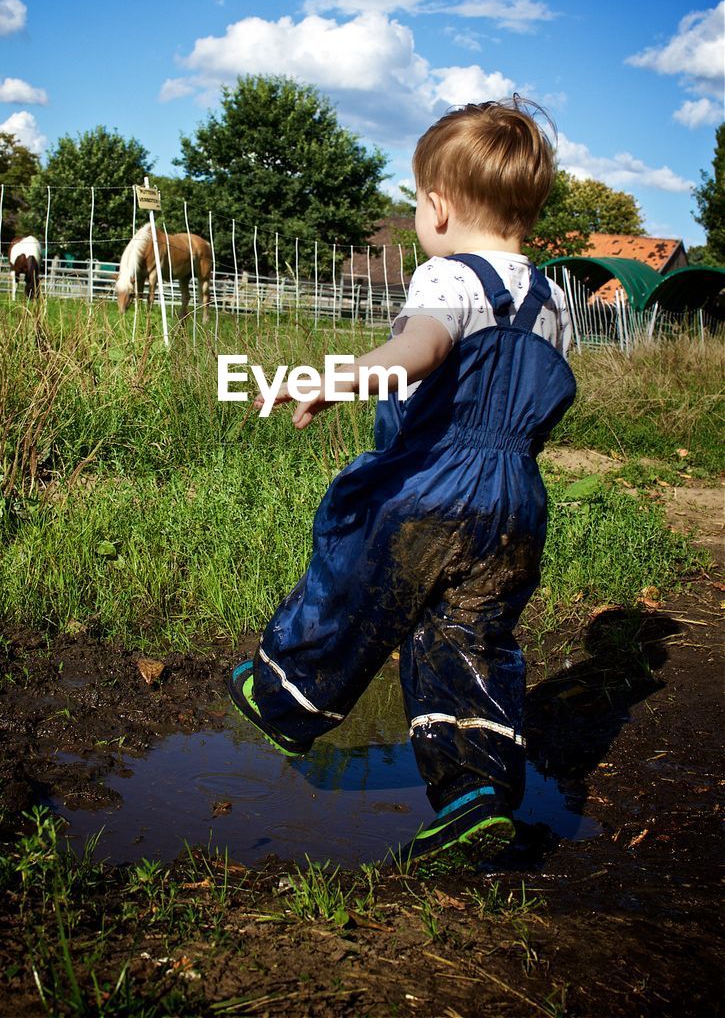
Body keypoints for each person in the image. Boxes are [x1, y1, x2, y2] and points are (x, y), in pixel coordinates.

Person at [228, 97, 576, 867]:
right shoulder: (553, 301)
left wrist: (340, 378)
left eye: (417, 202)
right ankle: (473, 797)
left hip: (432, 479)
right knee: (470, 641)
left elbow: (418, 350)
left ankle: (284, 694)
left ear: (440, 207)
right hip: (515, 500)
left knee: (357, 578)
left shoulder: (447, 277)